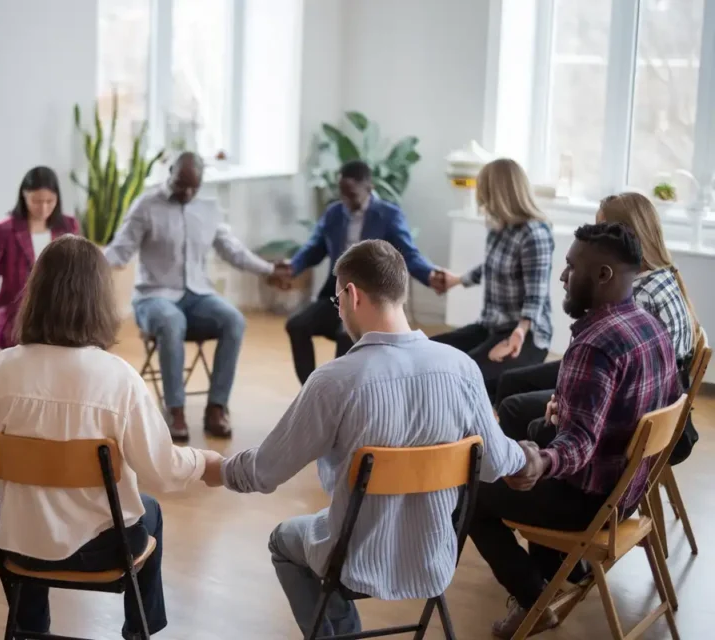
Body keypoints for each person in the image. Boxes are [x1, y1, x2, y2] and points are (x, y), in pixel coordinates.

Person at [205, 239, 527, 637]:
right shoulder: (460, 369)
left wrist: (218, 469)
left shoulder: (335, 381)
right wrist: (529, 456)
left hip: (352, 561)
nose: (336, 310)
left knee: (282, 542)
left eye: (335, 299)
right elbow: (497, 463)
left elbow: (264, 471)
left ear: (351, 294)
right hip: (433, 558)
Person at [0, 235, 220, 639]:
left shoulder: (0, 369)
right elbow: (162, 472)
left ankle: (30, 630)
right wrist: (204, 462)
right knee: (150, 510)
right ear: (99, 299)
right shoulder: (118, 379)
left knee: (31, 516)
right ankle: (140, 630)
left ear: (37, 294)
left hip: (18, 548)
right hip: (101, 551)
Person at [469, 222, 681, 638]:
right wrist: (563, 413)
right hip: (628, 492)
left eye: (570, 267)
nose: (563, 277)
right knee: (532, 423)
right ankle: (557, 567)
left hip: (592, 500)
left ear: (603, 275)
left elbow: (581, 445)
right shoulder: (649, 325)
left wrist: (544, 460)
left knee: (471, 492)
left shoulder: (594, 344)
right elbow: (662, 399)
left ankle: (535, 599)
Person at [495, 192, 699, 464]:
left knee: (514, 403)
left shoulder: (635, 297)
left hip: (631, 410)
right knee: (514, 383)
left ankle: (516, 474)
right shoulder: (665, 276)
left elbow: (609, 374)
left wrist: (564, 401)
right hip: (655, 403)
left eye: (602, 228)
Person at [104, 151, 291, 441]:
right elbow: (120, 250)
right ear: (169, 174)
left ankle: (217, 407)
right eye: (181, 185)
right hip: (154, 297)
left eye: (194, 187)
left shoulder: (209, 208)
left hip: (198, 295)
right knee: (171, 321)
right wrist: (85, 262)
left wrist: (268, 269)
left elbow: (232, 250)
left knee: (234, 321)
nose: (187, 192)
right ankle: (174, 409)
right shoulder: (146, 205)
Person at [284, 160, 440, 385]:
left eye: (352, 194)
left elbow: (408, 253)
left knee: (345, 335)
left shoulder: (388, 215)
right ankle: (313, 390)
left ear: (369, 186)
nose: (346, 200)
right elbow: (313, 248)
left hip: (371, 299)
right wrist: (292, 267)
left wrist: (430, 275)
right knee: (297, 325)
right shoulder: (334, 213)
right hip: (336, 295)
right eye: (342, 194)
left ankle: (344, 394)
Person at [430, 158, 554, 401]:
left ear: (498, 193)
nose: (480, 199)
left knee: (462, 376)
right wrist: (456, 280)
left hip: (525, 336)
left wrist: (519, 331)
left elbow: (535, 295)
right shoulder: (499, 227)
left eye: (484, 191)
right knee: (431, 352)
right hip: (491, 326)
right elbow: (491, 267)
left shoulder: (534, 234)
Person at [0, 166, 80, 349]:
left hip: (60, 317)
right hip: (16, 318)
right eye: (36, 201)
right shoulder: (4, 230)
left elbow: (77, 270)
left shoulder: (68, 226)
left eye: (49, 201)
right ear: (24, 196)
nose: (43, 208)